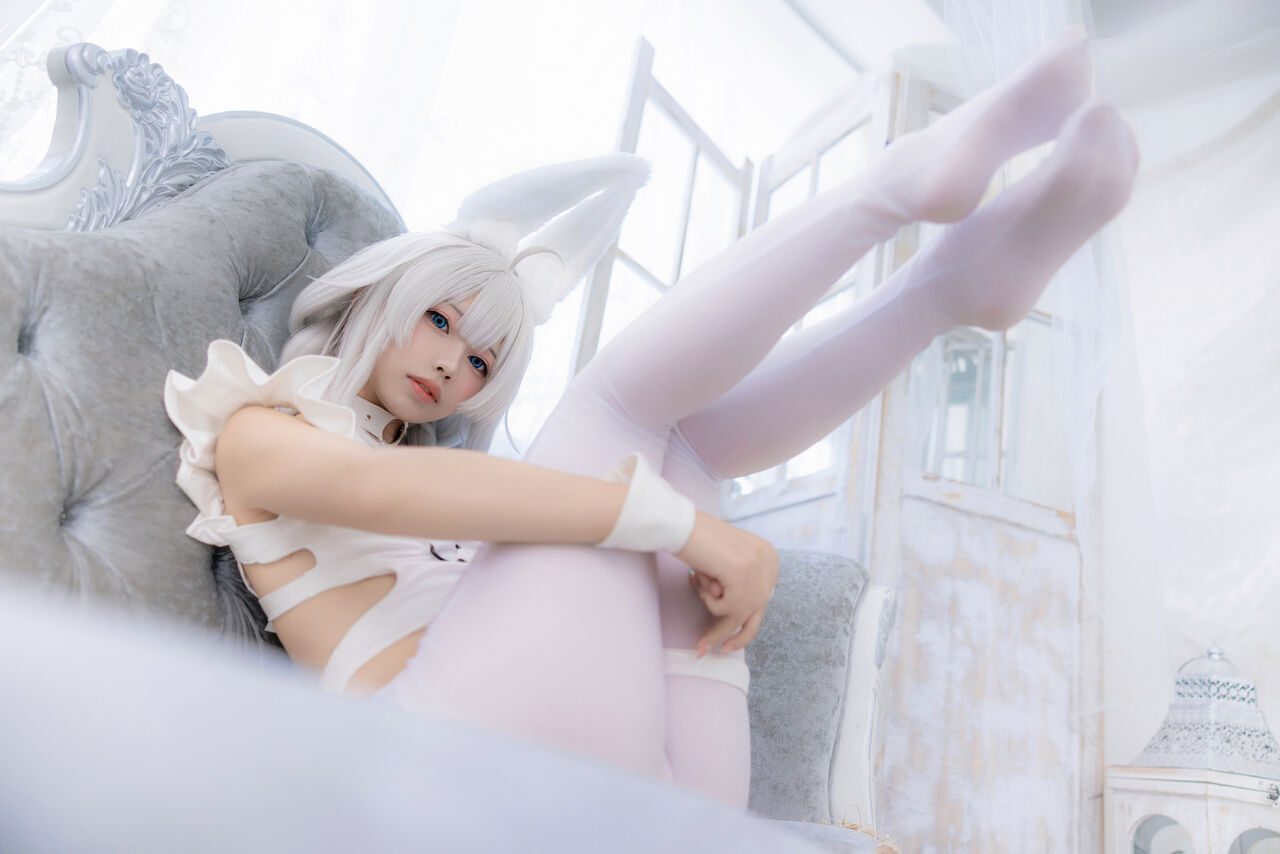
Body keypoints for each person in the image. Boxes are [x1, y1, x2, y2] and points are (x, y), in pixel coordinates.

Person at [163, 30, 1137, 809]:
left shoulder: (436, 469)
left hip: (659, 792)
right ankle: (901, 200)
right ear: (386, 290)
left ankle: (948, 286)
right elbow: (376, 490)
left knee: (683, 445)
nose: (453, 364)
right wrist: (684, 529)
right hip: (454, 765)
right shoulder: (251, 430)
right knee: (617, 411)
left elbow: (448, 501)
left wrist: (682, 520)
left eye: (482, 361)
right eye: (441, 320)